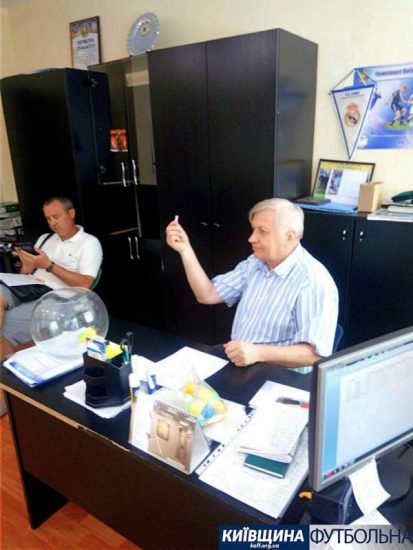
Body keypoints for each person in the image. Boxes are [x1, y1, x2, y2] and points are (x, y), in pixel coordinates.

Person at [166, 198, 338, 368]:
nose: (251, 238)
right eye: (253, 230)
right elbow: (207, 294)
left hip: (280, 374)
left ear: (289, 236)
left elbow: (315, 354)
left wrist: (257, 353)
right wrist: (185, 250)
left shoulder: (313, 280)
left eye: (262, 231)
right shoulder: (255, 263)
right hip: (240, 361)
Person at [0, 196, 103, 361]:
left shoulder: (89, 243)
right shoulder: (45, 238)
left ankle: (6, 373)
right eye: (48, 218)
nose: (52, 223)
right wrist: (27, 267)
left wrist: (49, 265)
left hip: (57, 297)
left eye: (56, 216)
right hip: (30, 287)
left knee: (5, 328)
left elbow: (85, 284)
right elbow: (27, 273)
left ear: (71, 213)